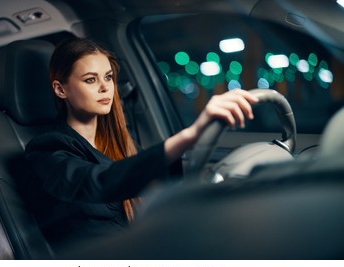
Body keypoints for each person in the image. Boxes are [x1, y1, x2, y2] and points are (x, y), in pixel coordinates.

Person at [24, 37, 258, 250]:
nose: (105, 87)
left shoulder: (117, 140)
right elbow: (99, 181)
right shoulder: (46, 149)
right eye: (90, 80)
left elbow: (154, 177)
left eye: (108, 77)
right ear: (60, 89)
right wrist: (191, 135)